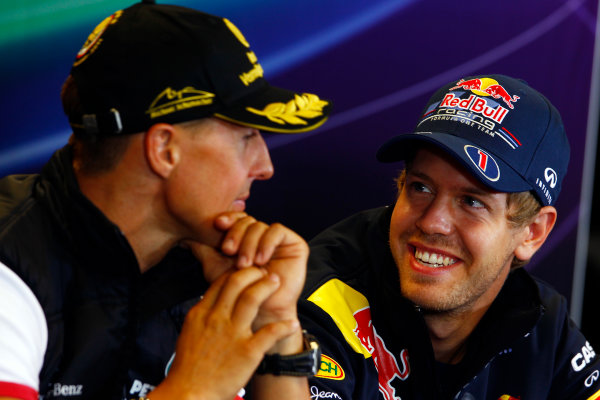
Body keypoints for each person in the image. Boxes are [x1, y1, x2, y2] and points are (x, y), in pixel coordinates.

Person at [0, 1, 331, 399]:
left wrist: (274, 326)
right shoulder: (11, 265)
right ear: (164, 150)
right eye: (246, 136)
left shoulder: (207, 265)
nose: (265, 167)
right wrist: (194, 388)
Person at [299, 75, 600, 399]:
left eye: (472, 201)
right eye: (420, 187)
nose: (432, 223)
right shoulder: (323, 301)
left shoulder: (544, 330)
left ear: (533, 233)